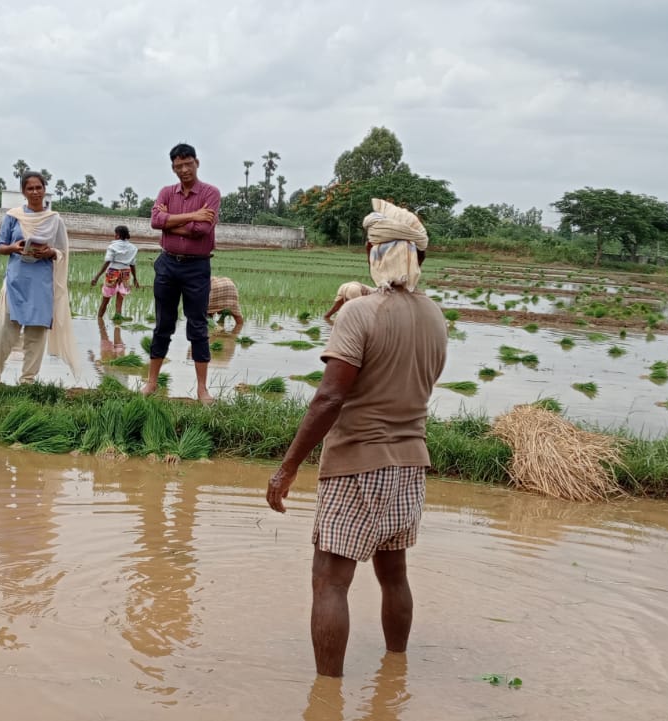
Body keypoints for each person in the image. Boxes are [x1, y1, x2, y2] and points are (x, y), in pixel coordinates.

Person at [264, 199, 445, 678]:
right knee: (394, 574)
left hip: (357, 466)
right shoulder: (435, 317)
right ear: (419, 260)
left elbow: (328, 399)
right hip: (410, 464)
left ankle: (327, 695)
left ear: (372, 252)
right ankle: (395, 671)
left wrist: (287, 468)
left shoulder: (359, 314)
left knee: (329, 581)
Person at [0, 171, 79, 389]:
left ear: (45, 189)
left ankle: (27, 380)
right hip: (16, 280)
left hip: (41, 282)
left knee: (36, 333)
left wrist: (50, 253)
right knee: (5, 330)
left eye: (39, 188)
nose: (35, 192)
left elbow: (62, 251)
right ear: (23, 192)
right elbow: (0, 246)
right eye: (30, 188)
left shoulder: (54, 220)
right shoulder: (13, 216)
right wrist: (13, 248)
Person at [144, 142, 221, 402]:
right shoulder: (166, 192)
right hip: (167, 263)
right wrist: (193, 215)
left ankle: (202, 389)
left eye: (188, 164)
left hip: (196, 267)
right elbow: (155, 221)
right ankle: (151, 382)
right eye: (179, 166)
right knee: (163, 323)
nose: (184, 170)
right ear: (173, 168)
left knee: (197, 325)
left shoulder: (211, 193)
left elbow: (202, 230)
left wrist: (170, 223)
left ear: (197, 163)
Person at [92, 225, 140, 320]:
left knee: (105, 300)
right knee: (120, 301)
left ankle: (99, 320)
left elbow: (107, 262)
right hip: (125, 273)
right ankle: (117, 324)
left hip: (113, 272)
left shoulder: (113, 246)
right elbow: (132, 264)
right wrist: (135, 278)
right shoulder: (133, 248)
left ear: (117, 235)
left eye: (115, 234)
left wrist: (96, 277)